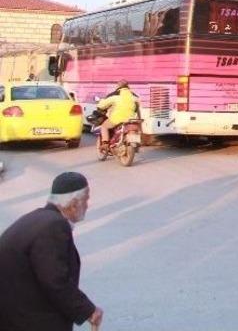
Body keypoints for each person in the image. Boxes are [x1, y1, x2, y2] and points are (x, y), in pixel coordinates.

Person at [0, 171, 104, 331]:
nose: (87, 205)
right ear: (73, 204)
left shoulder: (40, 218)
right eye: (86, 200)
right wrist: (87, 310)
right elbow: (55, 280)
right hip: (25, 318)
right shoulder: (54, 226)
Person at [97, 80, 139, 150]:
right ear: (128, 86)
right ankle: (135, 144)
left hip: (117, 118)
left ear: (118, 86)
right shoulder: (134, 96)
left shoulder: (115, 95)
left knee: (104, 126)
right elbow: (138, 107)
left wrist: (99, 103)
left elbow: (102, 105)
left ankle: (105, 144)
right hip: (131, 119)